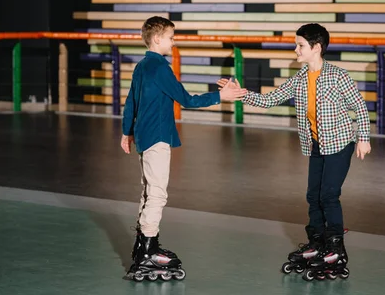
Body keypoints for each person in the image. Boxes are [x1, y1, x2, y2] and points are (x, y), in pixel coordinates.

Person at [218, 23, 371, 281]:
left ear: (317, 48)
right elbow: (270, 100)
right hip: (316, 145)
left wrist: (363, 138)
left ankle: (335, 249)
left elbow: (360, 107)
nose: (295, 49)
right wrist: (241, 94)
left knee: (329, 195)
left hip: (340, 144)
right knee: (313, 196)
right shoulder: (300, 78)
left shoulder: (338, 76)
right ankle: (317, 243)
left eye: (300, 45)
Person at [121, 16, 248, 282]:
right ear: (157, 39)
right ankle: (147, 249)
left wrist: (126, 132)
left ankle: (143, 244)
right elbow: (186, 99)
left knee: (147, 190)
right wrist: (220, 97)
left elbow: (131, 101)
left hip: (144, 136)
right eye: (170, 37)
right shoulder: (160, 68)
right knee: (157, 194)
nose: (173, 41)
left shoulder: (142, 66)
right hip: (157, 137)